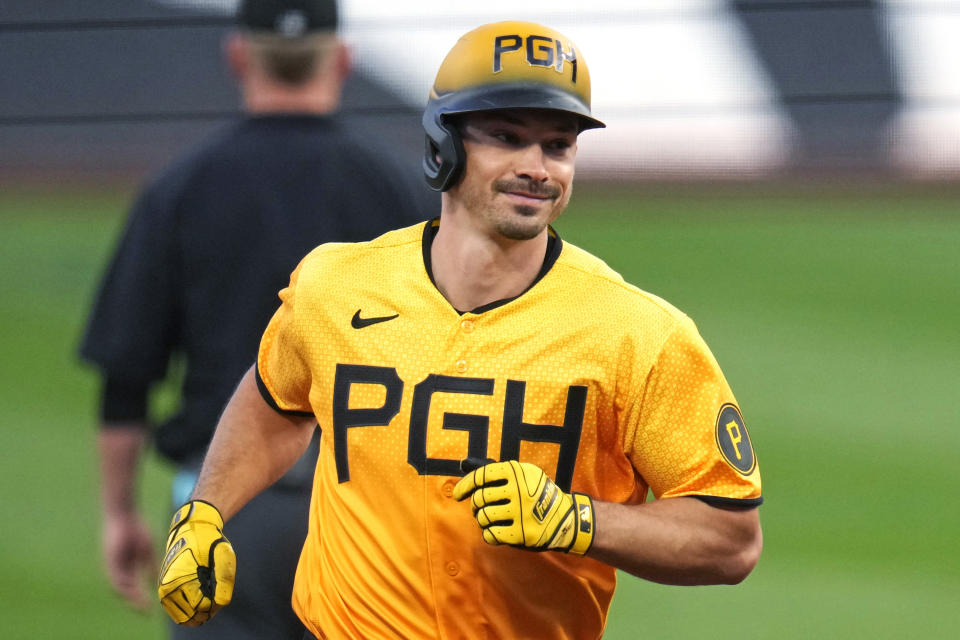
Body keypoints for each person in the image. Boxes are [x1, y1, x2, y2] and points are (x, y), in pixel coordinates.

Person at [156, 20, 763, 639]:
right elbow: (274, 404)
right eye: (506, 137)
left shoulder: (636, 334)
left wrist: (577, 521)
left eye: (558, 145)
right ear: (441, 143)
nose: (537, 167)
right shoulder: (335, 286)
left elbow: (731, 538)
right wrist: (205, 513)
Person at [80, 1, 433, 638]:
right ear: (344, 59)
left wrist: (120, 512)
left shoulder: (179, 188)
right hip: (369, 515)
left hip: (222, 507)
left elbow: (125, 379)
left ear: (238, 55)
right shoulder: (403, 189)